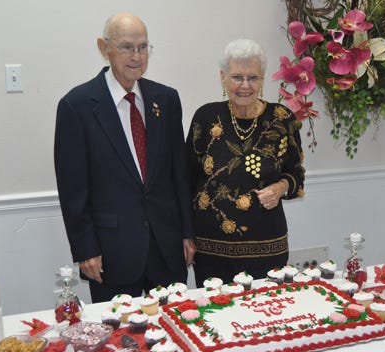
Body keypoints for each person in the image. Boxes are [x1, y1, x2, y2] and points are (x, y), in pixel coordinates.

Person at [54, 13, 195, 303]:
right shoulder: (76, 106)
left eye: (143, 47)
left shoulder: (166, 99)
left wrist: (187, 233)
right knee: (119, 342)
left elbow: (179, 174)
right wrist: (85, 249)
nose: (137, 56)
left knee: (176, 332)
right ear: (104, 48)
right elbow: (73, 191)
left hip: (167, 249)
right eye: (126, 47)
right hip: (111, 254)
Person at [186, 39, 305, 286]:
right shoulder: (205, 117)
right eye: (237, 77)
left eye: (253, 78)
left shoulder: (282, 119)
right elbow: (186, 179)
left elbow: (296, 174)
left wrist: (281, 187)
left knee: (266, 315)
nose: (244, 86)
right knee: (214, 318)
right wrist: (185, 236)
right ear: (223, 77)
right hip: (211, 248)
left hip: (267, 246)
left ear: (262, 80)